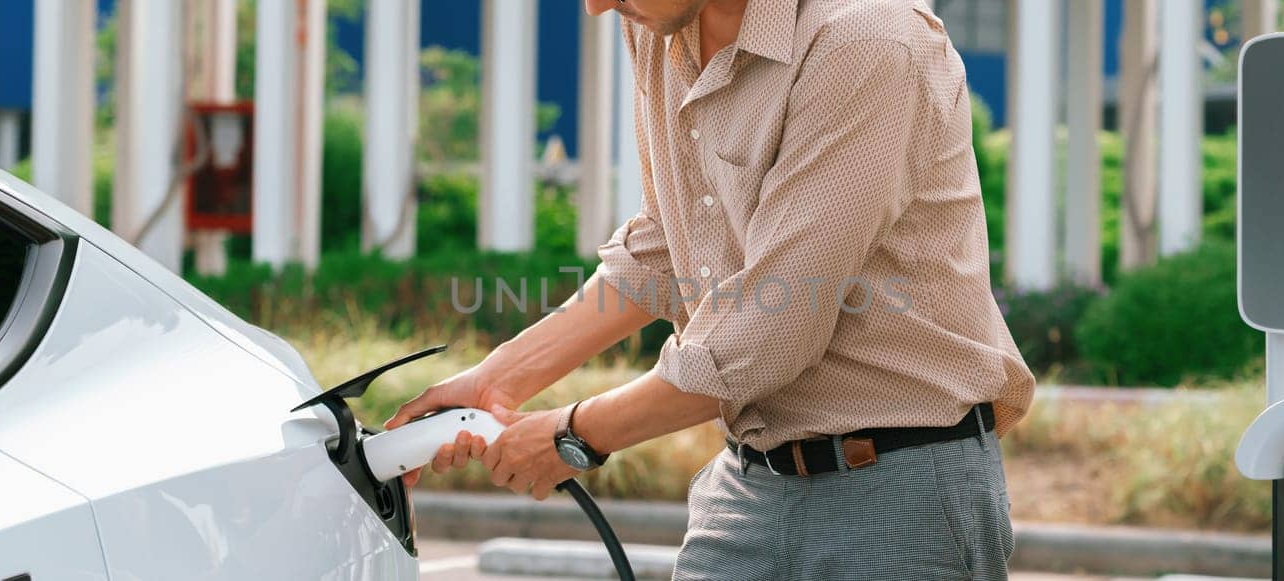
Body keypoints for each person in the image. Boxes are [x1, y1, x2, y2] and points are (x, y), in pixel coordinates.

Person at [385, 0, 1035, 578]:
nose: (595, 8)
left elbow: (772, 328)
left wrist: (576, 433)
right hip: (749, 484)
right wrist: (497, 380)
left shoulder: (865, 40)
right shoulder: (660, 28)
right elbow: (667, 247)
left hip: (897, 494)